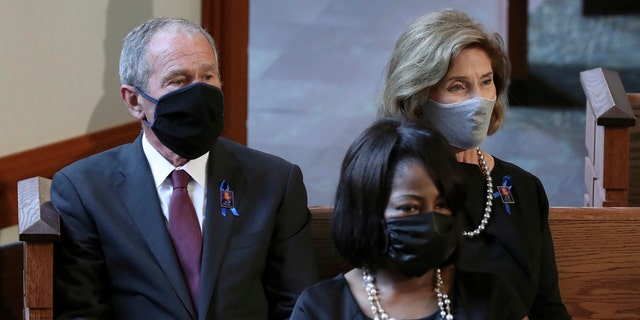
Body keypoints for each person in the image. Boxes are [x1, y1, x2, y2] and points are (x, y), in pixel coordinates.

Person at [52, 17, 318, 319]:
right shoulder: (84, 191)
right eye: (178, 81)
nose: (198, 94)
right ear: (135, 100)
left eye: (207, 77)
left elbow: (297, 306)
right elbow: (81, 313)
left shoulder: (275, 181)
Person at [377, 9, 570, 319]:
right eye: (458, 86)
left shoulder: (521, 187)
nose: (479, 101)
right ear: (417, 95)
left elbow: (547, 307)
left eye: (486, 82)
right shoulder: (388, 185)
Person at [291, 117, 528, 320]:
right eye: (410, 208)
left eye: (442, 204)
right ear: (366, 211)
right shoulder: (320, 309)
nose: (432, 221)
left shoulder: (492, 298)